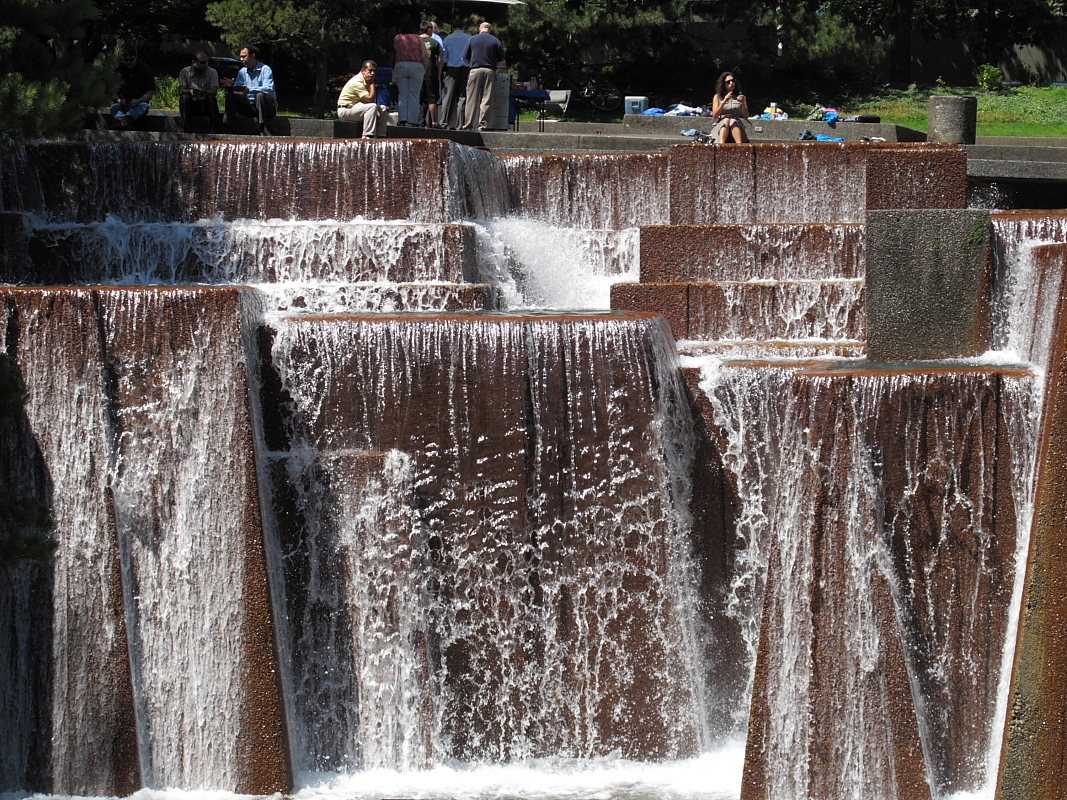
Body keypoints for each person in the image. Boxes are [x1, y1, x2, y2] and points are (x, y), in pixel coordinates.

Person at [220, 45, 277, 135]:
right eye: (240, 57)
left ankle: (261, 128)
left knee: (260, 95)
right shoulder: (242, 72)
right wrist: (232, 87)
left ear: (253, 56)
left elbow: (269, 88)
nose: (241, 59)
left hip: (266, 108)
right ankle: (228, 127)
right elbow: (239, 92)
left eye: (243, 56)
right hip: (249, 106)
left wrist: (250, 89)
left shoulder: (265, 69)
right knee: (230, 96)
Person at [461, 21, 505, 131]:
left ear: (479, 29)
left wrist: (472, 62)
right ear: (489, 30)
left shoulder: (472, 39)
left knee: (471, 98)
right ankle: (482, 125)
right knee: (486, 99)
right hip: (489, 70)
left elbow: (464, 58)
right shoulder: (496, 41)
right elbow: (502, 61)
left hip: (474, 70)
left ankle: (468, 125)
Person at [337, 60, 388, 138]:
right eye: (370, 71)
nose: (372, 73)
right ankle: (368, 135)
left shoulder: (366, 80)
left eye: (374, 71)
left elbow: (368, 100)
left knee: (383, 108)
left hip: (357, 107)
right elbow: (370, 99)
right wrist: (371, 83)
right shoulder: (357, 82)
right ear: (362, 70)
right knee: (372, 107)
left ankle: (381, 135)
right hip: (345, 110)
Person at [393, 22, 427, 126]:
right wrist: (424, 68)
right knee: (414, 95)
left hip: (401, 65)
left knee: (403, 94)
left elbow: (396, 52)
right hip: (416, 66)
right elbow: (424, 54)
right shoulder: (418, 38)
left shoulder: (397, 38)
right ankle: (413, 121)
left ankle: (402, 119)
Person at [110, 50, 155, 127]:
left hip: (139, 104)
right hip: (121, 104)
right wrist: (119, 101)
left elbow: (150, 92)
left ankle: (124, 119)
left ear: (136, 57)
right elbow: (111, 92)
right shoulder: (117, 70)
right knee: (114, 107)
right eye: (125, 60)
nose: (128, 62)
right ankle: (124, 119)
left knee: (144, 106)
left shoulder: (145, 70)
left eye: (131, 59)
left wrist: (139, 100)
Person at [178, 52, 220, 133]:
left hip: (205, 103)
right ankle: (187, 130)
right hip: (191, 103)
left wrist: (203, 92)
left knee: (211, 98)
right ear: (194, 63)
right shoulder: (185, 72)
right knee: (184, 98)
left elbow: (214, 91)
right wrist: (190, 91)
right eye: (202, 63)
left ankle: (214, 130)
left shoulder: (212, 72)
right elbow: (181, 91)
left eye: (207, 62)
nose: (205, 65)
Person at [440, 20, 471, 129]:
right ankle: (460, 124)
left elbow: (444, 57)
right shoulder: (469, 38)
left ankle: (443, 122)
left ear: (452, 27)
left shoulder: (448, 39)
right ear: (463, 27)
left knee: (447, 96)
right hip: (465, 69)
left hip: (452, 69)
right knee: (462, 97)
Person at [711, 72, 749, 144]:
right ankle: (721, 145)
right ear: (724, 84)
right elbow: (715, 115)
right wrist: (724, 101)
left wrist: (743, 104)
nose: (731, 83)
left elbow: (746, 116)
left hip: (736, 124)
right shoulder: (717, 97)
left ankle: (739, 145)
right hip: (722, 124)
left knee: (733, 121)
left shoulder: (741, 97)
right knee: (726, 120)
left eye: (733, 81)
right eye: (728, 82)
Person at [419, 21, 443, 128]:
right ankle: (434, 122)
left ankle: (421, 121)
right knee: (432, 99)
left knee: (421, 98)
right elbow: (439, 60)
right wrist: (439, 74)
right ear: (429, 29)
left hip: (419, 73)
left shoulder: (416, 41)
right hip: (431, 73)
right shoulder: (434, 42)